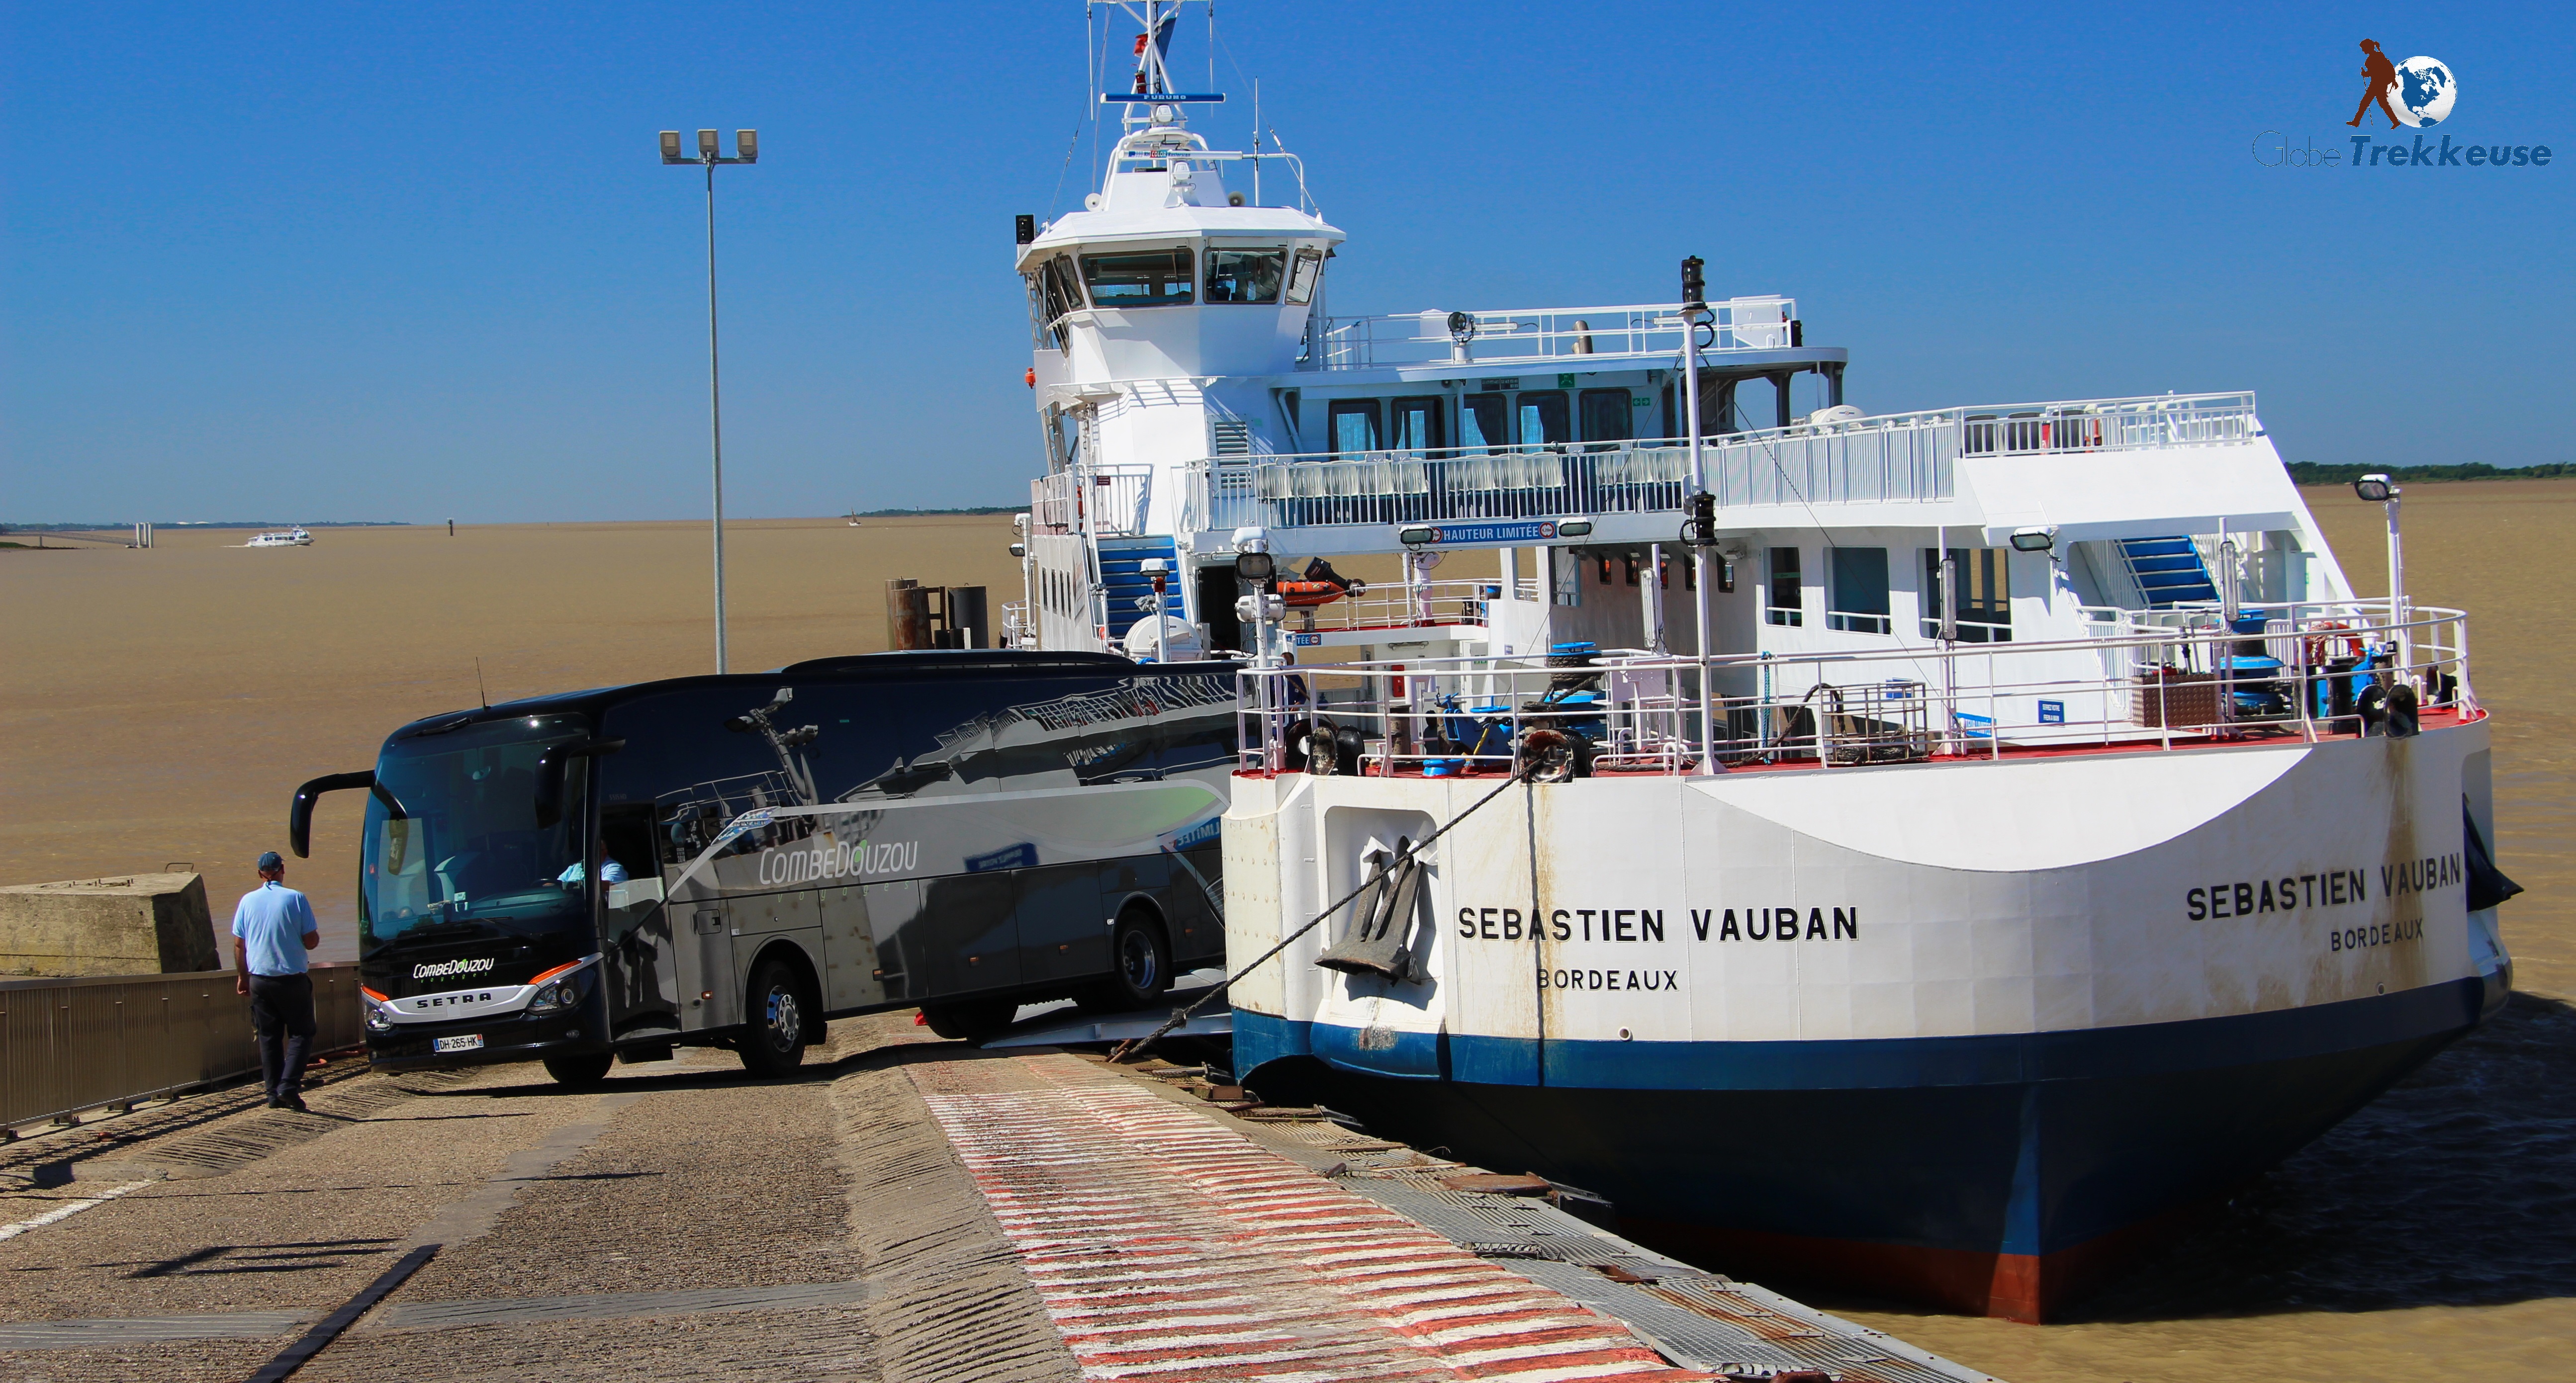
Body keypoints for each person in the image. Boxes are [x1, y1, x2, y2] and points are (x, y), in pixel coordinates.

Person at [232, 851, 320, 1111]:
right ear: (283, 869)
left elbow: (239, 945)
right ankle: (288, 1087)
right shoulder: (296, 898)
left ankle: (272, 1095)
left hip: (260, 979)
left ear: (260, 873)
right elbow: (311, 941)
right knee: (302, 1033)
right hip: (291, 979)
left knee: (269, 1037)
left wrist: (243, 978)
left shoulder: (247, 901)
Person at [2348, 40, 2401, 130]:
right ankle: (2395, 122)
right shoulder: (2377, 56)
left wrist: (2365, 74)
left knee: (2366, 103)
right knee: (2380, 103)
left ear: (2368, 48)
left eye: (2364, 48)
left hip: (2378, 84)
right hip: (2378, 83)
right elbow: (2377, 71)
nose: (2363, 50)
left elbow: (2376, 71)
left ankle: (2356, 122)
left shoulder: (2376, 57)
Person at [556, 838, 629, 888]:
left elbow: (608, 887)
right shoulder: (576, 867)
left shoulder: (614, 868)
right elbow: (556, 884)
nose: (589, 854)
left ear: (605, 852)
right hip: (568, 907)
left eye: (593, 851)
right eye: (587, 850)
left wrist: (580, 885)